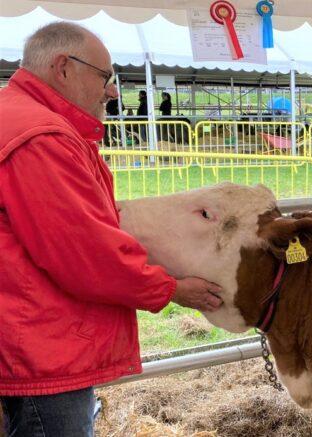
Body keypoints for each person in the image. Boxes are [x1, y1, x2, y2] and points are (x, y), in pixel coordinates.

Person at [0, 22, 223, 436]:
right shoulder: (42, 138)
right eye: (105, 77)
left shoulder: (19, 116)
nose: (113, 91)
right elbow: (86, 253)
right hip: (41, 342)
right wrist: (171, 289)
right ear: (63, 67)